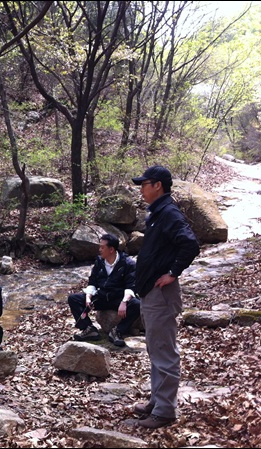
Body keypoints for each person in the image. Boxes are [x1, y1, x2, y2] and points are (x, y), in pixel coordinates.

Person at [131, 165, 200, 429]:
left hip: (162, 293)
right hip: (152, 292)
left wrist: (172, 272)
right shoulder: (158, 213)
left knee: (164, 351)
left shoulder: (168, 212)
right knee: (155, 348)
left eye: (144, 183)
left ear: (157, 185)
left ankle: (165, 411)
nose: (141, 188)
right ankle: (157, 401)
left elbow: (190, 243)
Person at [67, 233, 140, 347]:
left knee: (137, 304)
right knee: (73, 299)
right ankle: (89, 329)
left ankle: (118, 331)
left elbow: (131, 286)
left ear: (111, 249)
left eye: (102, 247)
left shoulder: (128, 263)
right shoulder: (99, 261)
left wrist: (124, 302)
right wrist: (88, 297)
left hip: (118, 298)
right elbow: (93, 282)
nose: (99, 250)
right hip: (101, 297)